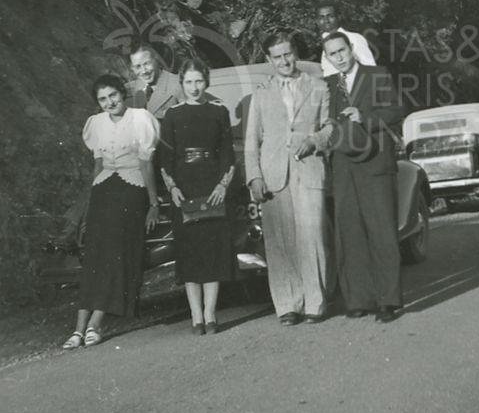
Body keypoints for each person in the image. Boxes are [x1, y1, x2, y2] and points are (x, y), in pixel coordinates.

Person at [62, 75, 160, 350]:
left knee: (117, 257)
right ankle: (78, 329)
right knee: (94, 257)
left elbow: (146, 165)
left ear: (123, 94)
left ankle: (96, 324)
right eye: (103, 99)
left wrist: (153, 204)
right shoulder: (95, 124)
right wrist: (88, 207)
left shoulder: (140, 119)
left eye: (113, 95)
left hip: (132, 191)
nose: (109, 102)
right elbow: (97, 166)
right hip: (103, 192)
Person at [244, 32, 333, 326]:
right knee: (280, 243)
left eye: (287, 54)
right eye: (277, 56)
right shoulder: (260, 93)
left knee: (312, 237)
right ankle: (287, 305)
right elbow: (251, 142)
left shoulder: (319, 87)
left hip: (308, 169)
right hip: (273, 175)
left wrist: (314, 140)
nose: (283, 61)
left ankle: (315, 303)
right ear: (268, 60)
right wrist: (254, 177)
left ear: (295, 54)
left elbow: (331, 127)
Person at [323, 31, 405, 322]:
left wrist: (365, 119)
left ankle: (389, 302)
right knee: (350, 232)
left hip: (375, 163)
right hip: (344, 165)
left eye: (342, 50)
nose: (339, 57)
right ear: (328, 57)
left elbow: (397, 110)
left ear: (351, 49)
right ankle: (358, 300)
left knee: (382, 231)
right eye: (332, 54)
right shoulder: (328, 85)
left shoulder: (377, 75)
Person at [161, 58, 235, 334]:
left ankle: (211, 314)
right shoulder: (172, 115)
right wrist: (172, 187)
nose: (194, 87)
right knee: (190, 252)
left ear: (207, 81)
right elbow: (165, 158)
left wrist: (222, 186)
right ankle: (196, 318)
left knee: (212, 250)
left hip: (211, 183)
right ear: (182, 84)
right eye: (189, 82)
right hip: (184, 186)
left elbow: (227, 152)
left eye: (199, 81)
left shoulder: (219, 112)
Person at [318, 3, 376, 77]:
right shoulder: (325, 45)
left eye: (330, 16)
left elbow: (371, 68)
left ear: (338, 17)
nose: (326, 20)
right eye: (321, 17)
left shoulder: (354, 38)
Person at [128, 44, 183, 119]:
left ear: (156, 60)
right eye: (138, 66)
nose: (144, 71)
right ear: (133, 69)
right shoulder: (133, 87)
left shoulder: (178, 84)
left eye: (147, 63)